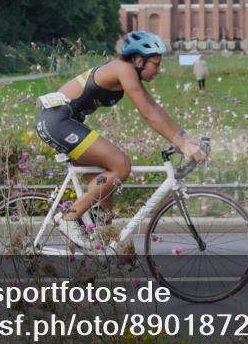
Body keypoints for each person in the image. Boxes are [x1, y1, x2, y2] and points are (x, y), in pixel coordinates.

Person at [35, 30, 206, 248]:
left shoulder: (126, 71)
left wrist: (185, 139)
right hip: (58, 122)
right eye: (156, 63)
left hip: (63, 122)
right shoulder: (122, 69)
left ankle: (100, 245)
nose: (158, 70)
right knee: (121, 166)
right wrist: (181, 144)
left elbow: (155, 108)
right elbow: (148, 114)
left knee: (105, 191)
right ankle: (69, 218)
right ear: (139, 60)